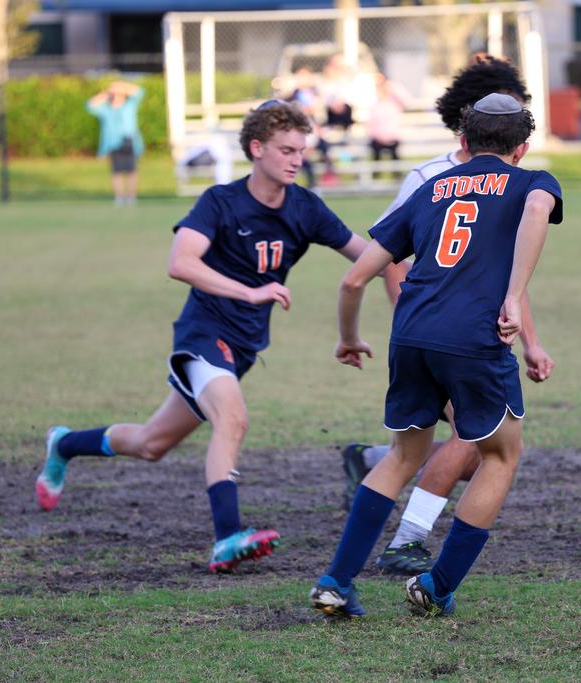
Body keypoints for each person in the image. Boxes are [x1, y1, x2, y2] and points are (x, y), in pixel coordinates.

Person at [35, 100, 372, 573]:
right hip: (204, 332)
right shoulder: (221, 202)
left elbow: (369, 256)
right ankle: (227, 539)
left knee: (152, 444)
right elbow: (181, 263)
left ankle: (65, 443)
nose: (297, 159)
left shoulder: (305, 207)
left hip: (243, 348)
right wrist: (249, 292)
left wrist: (417, 259)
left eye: (301, 150)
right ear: (257, 149)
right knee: (233, 419)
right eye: (286, 150)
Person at [310, 93, 563, 618]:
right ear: (522, 148)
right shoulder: (533, 182)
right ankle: (437, 586)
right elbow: (538, 210)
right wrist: (514, 296)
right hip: (473, 338)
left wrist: (348, 337)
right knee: (500, 455)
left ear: (464, 141)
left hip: (411, 334)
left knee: (403, 456)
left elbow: (354, 279)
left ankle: (336, 581)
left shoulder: (431, 189)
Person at [86, 80, 145, 206]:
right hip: (113, 143)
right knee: (116, 171)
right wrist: (106, 93)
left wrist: (121, 86)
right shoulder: (106, 109)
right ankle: (119, 196)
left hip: (129, 141)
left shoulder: (129, 105)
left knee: (131, 171)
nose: (117, 96)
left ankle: (131, 196)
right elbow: (89, 106)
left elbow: (140, 92)